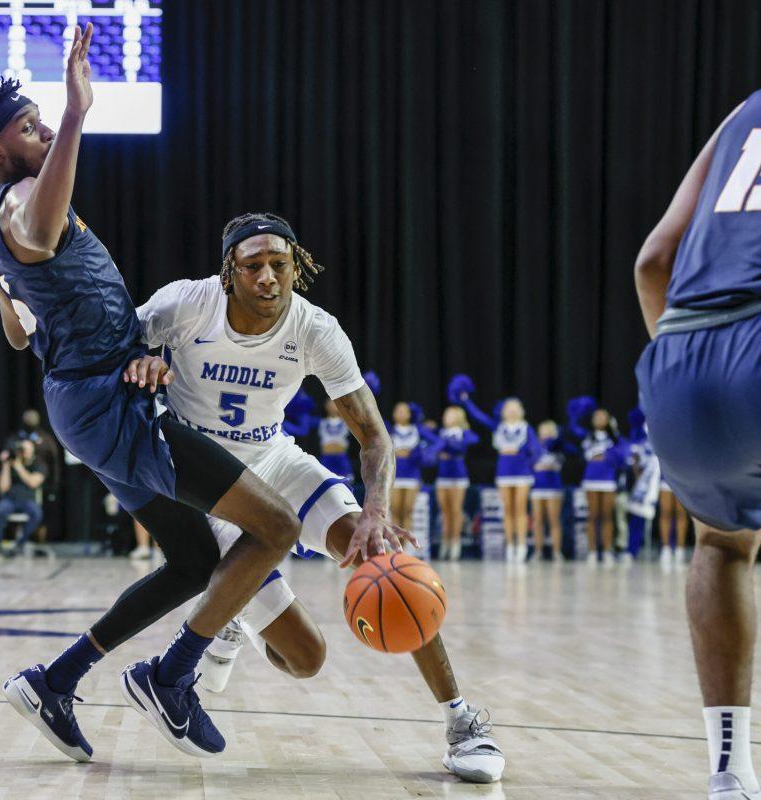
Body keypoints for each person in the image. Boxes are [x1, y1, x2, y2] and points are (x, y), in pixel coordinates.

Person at [0, 31, 302, 761]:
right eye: (29, 125)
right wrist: (78, 113)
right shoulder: (17, 203)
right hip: (108, 406)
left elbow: (17, 334)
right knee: (275, 527)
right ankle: (174, 676)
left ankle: (58, 679)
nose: (42, 127)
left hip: (88, 400)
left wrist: (121, 347)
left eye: (45, 118)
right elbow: (42, 230)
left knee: (191, 558)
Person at [131, 211, 503, 783]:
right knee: (305, 660)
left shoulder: (314, 328)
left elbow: (374, 436)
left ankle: (461, 721)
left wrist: (375, 510)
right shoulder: (185, 304)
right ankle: (232, 614)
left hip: (276, 460)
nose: (267, 278)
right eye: (252, 266)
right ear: (228, 272)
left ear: (296, 266)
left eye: (279, 264)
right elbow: (112, 347)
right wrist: (142, 359)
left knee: (390, 564)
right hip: (209, 483)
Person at [634, 67, 761, 800]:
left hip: (680, 360)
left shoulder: (752, 106)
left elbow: (654, 261)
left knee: (720, 545)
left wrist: (685, 374)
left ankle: (731, 772)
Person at [458, 391, 538, 563]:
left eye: (516, 408)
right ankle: (510, 546)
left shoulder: (526, 428)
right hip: (504, 472)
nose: (512, 411)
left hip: (522, 473)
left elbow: (535, 450)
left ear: (522, 411)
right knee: (508, 510)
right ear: (503, 411)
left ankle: (522, 546)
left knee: (520, 509)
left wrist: (526, 458)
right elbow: (479, 416)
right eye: (509, 408)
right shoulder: (498, 427)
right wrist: (466, 401)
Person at [569, 405, 623, 565]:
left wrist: (606, 456)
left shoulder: (614, 438)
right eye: (596, 417)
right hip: (591, 479)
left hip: (608, 479)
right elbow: (583, 452)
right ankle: (592, 551)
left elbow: (621, 456)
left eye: (602, 417)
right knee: (593, 516)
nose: (599, 419)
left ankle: (607, 551)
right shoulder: (587, 437)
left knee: (607, 516)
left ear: (608, 420)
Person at [435, 405, 478, 561]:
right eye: (446, 415)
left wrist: (448, 449)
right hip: (443, 476)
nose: (446, 417)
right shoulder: (441, 433)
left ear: (458, 418)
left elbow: (470, 442)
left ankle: (455, 543)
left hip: (458, 476)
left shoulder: (463, 433)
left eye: (450, 415)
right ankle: (445, 541)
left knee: (456, 510)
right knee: (445, 512)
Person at [0, 439, 45, 554]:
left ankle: (20, 544)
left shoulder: (39, 464)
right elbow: (3, 488)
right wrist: (5, 465)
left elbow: (33, 482)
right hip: (10, 499)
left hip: (28, 500)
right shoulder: (11, 463)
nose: (22, 452)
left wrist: (19, 467)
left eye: (25, 450)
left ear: (32, 451)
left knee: (37, 514)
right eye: (21, 449)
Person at [388, 401, 429, 535]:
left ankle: (405, 548)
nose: (400, 413)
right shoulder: (389, 429)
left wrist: (420, 452)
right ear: (393, 414)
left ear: (410, 414)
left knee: (407, 511)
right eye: (397, 410)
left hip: (412, 474)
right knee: (395, 510)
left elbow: (437, 441)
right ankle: (395, 547)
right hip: (395, 474)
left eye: (404, 411)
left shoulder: (418, 429)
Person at [530, 420, 568, 561]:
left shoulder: (558, 446)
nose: (545, 434)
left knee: (554, 520)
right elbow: (530, 463)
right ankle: (537, 551)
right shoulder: (535, 447)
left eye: (549, 431)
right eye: (543, 431)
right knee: (537, 520)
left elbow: (559, 459)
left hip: (553, 485)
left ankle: (556, 551)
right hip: (537, 485)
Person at [317, 398, 353, 481]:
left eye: (334, 404)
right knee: (323, 482)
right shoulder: (322, 422)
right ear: (326, 406)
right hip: (326, 458)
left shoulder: (346, 423)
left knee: (347, 483)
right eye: (330, 404)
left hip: (341, 458)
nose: (332, 407)